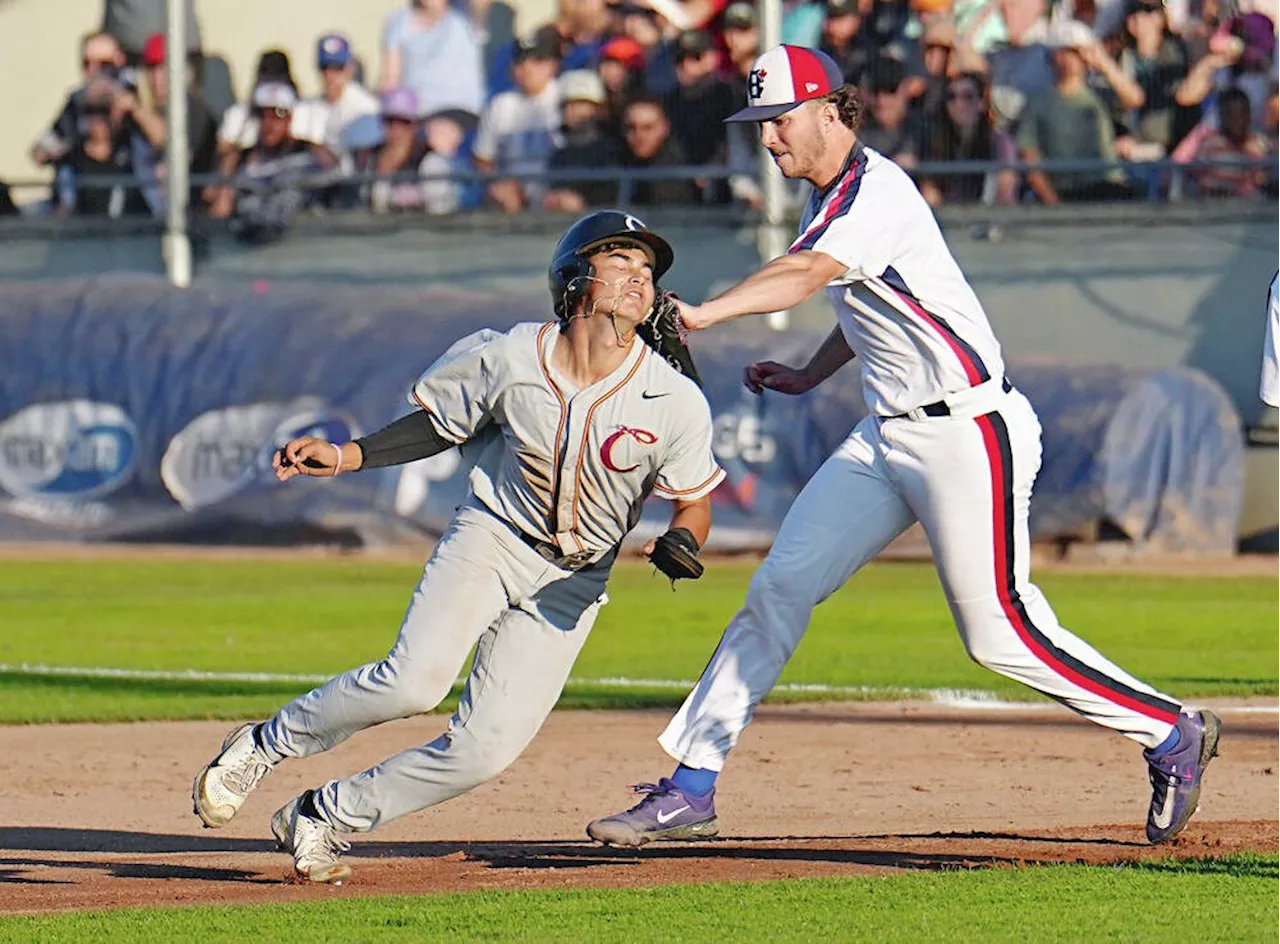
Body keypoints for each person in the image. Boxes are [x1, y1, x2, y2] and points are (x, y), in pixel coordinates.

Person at [585, 44, 1220, 850]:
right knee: (779, 586)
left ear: (829, 110)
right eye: (760, 127)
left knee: (999, 634)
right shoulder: (832, 197)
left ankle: (1169, 732)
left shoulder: (874, 193)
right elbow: (875, 308)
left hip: (967, 431)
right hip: (887, 433)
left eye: (779, 122)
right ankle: (691, 786)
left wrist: (706, 314)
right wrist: (812, 372)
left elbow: (810, 271)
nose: (769, 141)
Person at [191, 210, 725, 883]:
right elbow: (438, 424)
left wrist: (682, 539)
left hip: (574, 581)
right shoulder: (510, 355)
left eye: (647, 269)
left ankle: (323, 815)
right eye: (618, 259)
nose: (638, 277)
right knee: (413, 681)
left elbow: (694, 501)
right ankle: (263, 746)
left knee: (484, 751)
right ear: (573, 279)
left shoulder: (671, 397)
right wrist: (347, 455)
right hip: (493, 538)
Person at [919, 71, 1019, 207]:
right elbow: (929, 191)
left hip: (987, 217)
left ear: (981, 103)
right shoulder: (936, 141)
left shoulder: (999, 143)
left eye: (968, 97)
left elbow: (1006, 191)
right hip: (947, 219)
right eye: (951, 97)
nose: (959, 104)